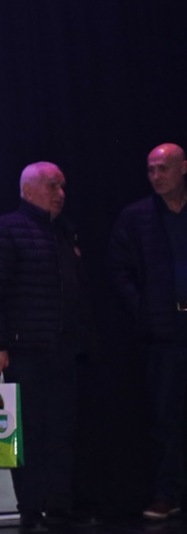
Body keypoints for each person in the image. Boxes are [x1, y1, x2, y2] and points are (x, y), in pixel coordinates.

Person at [0, 162, 95, 531]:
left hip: (63, 349)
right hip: (23, 351)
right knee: (25, 431)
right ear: (29, 191)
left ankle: (58, 507)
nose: (61, 194)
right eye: (53, 186)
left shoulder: (64, 231)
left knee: (61, 431)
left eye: (62, 187)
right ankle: (29, 510)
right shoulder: (5, 229)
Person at [109, 143, 187, 522]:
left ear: (183, 168)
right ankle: (166, 493)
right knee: (165, 417)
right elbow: (118, 269)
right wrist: (143, 309)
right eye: (151, 170)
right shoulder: (136, 217)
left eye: (163, 168)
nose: (156, 176)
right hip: (163, 332)